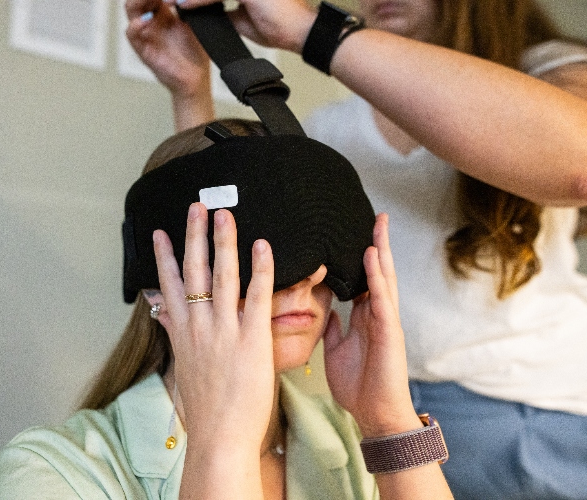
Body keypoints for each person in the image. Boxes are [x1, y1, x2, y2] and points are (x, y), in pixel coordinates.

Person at [124, 0, 587, 498]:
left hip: (529, 415)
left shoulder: (548, 71)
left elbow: (578, 162)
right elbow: (217, 224)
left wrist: (312, 30)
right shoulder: (331, 131)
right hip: (379, 403)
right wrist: (191, 90)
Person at [0, 119, 455, 499]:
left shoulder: (347, 445)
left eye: (318, 244)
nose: (310, 275)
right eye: (258, 248)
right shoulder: (50, 471)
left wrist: (389, 423)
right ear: (159, 291)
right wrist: (222, 446)